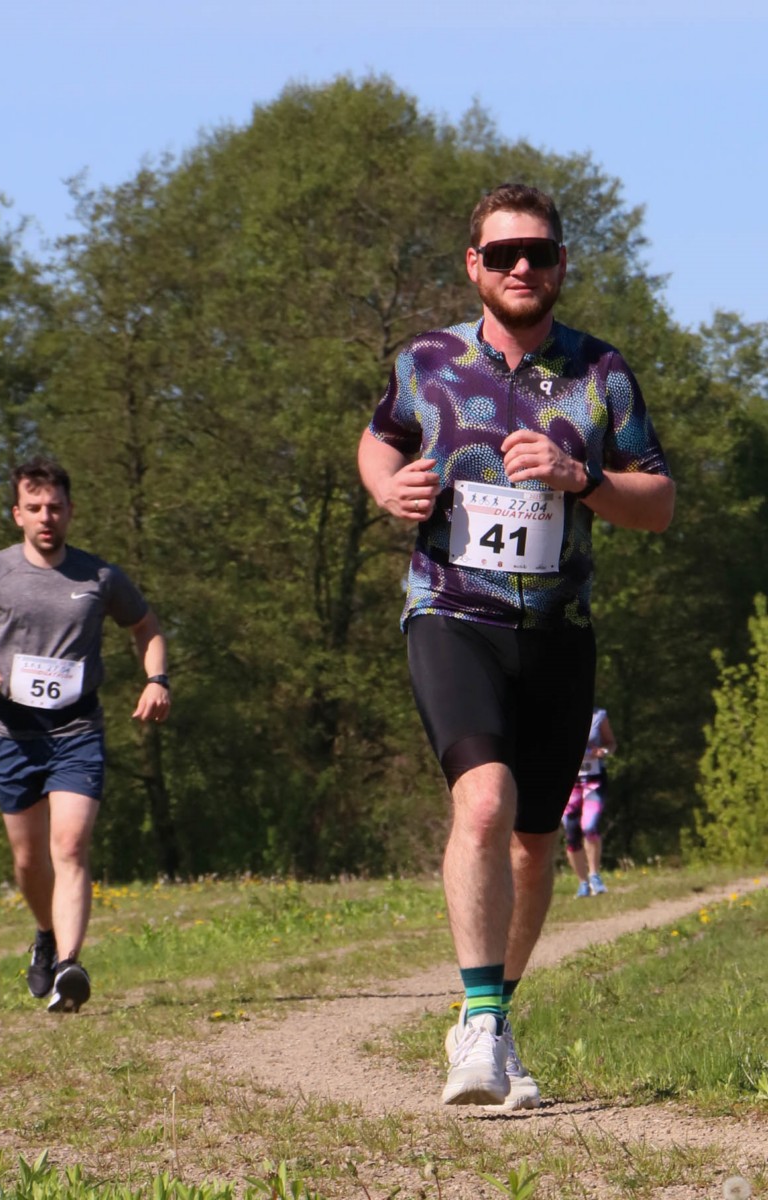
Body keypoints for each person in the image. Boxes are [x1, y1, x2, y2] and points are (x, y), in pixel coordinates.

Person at [358, 182, 674, 1108]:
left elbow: (659, 502)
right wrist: (387, 488)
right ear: (475, 266)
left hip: (558, 634)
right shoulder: (427, 361)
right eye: (502, 254)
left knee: (537, 845)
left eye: (538, 251)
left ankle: (488, 1018)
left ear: (562, 262)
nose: (521, 266)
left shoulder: (601, 373)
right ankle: (483, 1024)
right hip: (452, 614)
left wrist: (583, 478)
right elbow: (378, 441)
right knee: (485, 801)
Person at [0, 457, 171, 1014]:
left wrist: (156, 679)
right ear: (17, 514)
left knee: (71, 846)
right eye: (34, 507)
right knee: (29, 862)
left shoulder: (99, 577)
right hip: (13, 733)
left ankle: (69, 966)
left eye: (54, 507)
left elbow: (147, 627)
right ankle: (46, 934)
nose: (46, 516)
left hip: (77, 730)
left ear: (70, 511)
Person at [563, 707, 617, 898]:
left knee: (589, 826)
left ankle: (595, 876)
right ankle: (582, 883)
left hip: (594, 781)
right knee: (571, 832)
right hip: (568, 784)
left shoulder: (598, 715)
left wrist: (603, 751)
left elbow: (611, 743)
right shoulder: (558, 713)